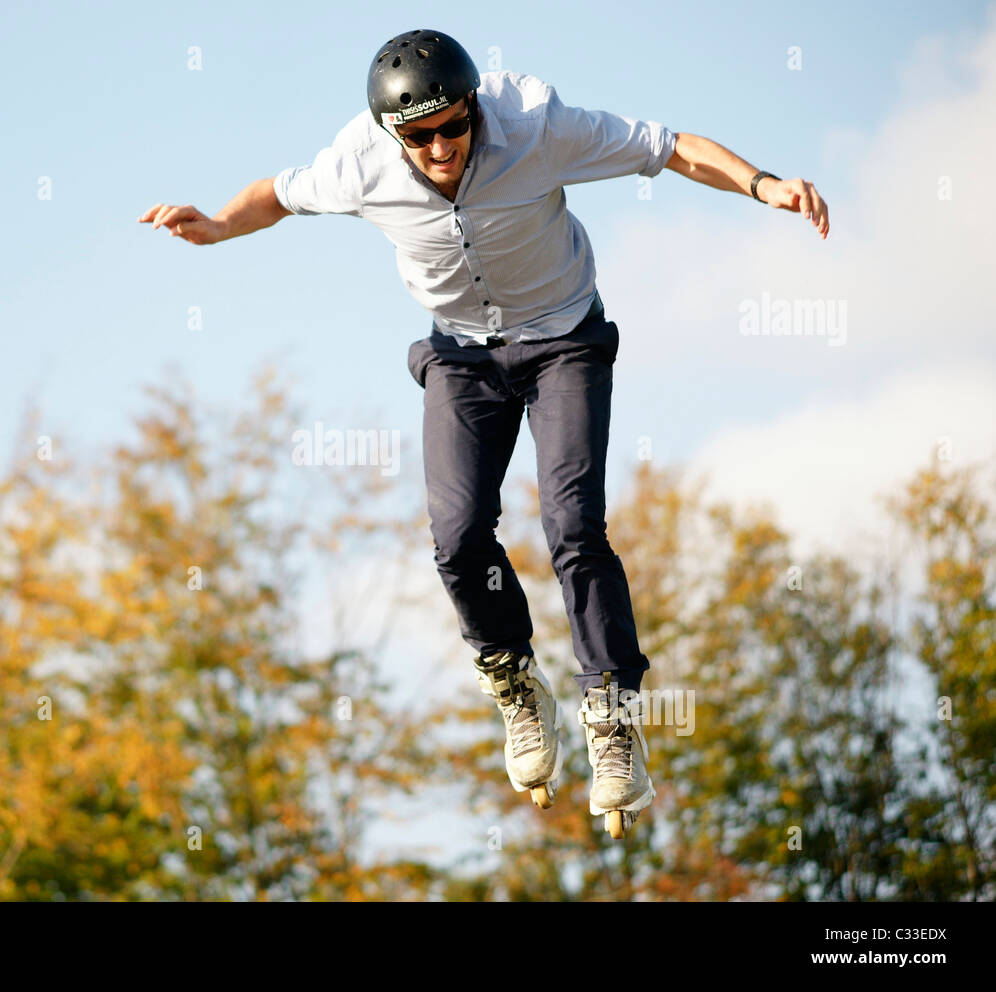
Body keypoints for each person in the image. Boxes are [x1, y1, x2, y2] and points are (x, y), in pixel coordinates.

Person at [139, 29, 829, 837]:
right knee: (457, 534)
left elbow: (671, 149)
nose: (439, 148)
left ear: (472, 108)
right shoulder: (359, 159)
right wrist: (220, 225)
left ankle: (611, 718)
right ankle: (512, 678)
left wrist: (764, 185)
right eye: (420, 137)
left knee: (572, 526)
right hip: (460, 356)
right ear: (395, 134)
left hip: (565, 339)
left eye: (452, 129)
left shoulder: (536, 122)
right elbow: (276, 194)